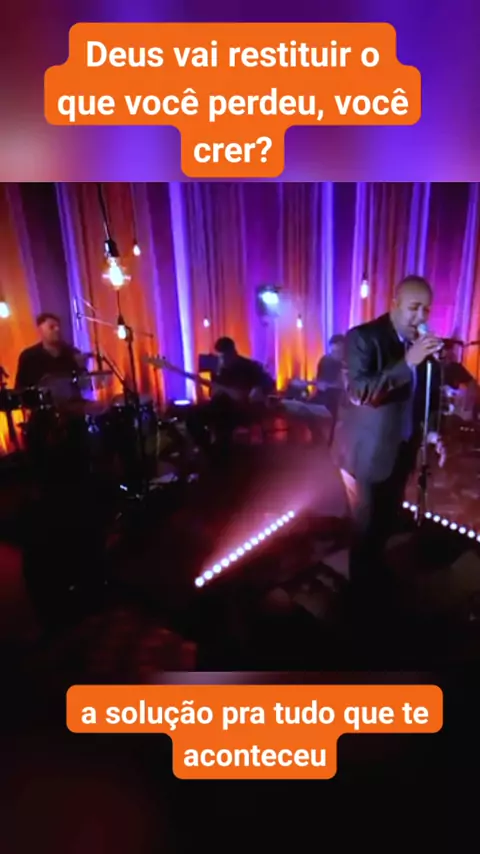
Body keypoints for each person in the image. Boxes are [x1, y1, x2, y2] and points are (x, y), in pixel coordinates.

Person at [344, 274, 446, 614]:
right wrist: (408, 362)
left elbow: (425, 396)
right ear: (395, 304)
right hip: (368, 452)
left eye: (426, 309)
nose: (420, 317)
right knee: (365, 526)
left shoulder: (421, 344)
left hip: (402, 447)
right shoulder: (363, 337)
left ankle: (378, 572)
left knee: (387, 519)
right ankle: (359, 596)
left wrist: (431, 431)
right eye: (413, 308)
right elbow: (360, 392)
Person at [187, 337, 275, 451]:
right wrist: (214, 391)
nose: (222, 360)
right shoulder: (219, 370)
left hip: (242, 409)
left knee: (223, 421)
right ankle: (207, 449)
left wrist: (258, 388)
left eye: (224, 357)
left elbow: (268, 381)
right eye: (220, 357)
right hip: (220, 406)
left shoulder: (249, 366)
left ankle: (223, 452)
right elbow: (213, 394)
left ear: (233, 352)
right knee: (192, 416)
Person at [15, 312, 86, 391]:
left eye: (59, 326)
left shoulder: (72, 353)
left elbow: (84, 386)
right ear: (40, 331)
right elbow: (20, 388)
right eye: (52, 327)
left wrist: (82, 367)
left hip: (71, 398)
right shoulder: (29, 357)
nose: (57, 329)